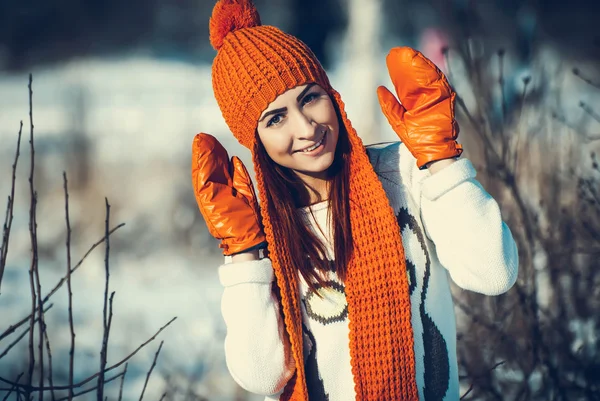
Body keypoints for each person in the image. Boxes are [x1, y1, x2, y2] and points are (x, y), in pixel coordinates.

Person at [191, 0, 519, 400]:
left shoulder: (405, 173)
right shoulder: (265, 239)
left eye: (310, 98)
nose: (306, 127)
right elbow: (262, 376)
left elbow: (493, 272)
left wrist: (442, 158)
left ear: (331, 93)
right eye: (275, 118)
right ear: (254, 140)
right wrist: (243, 253)